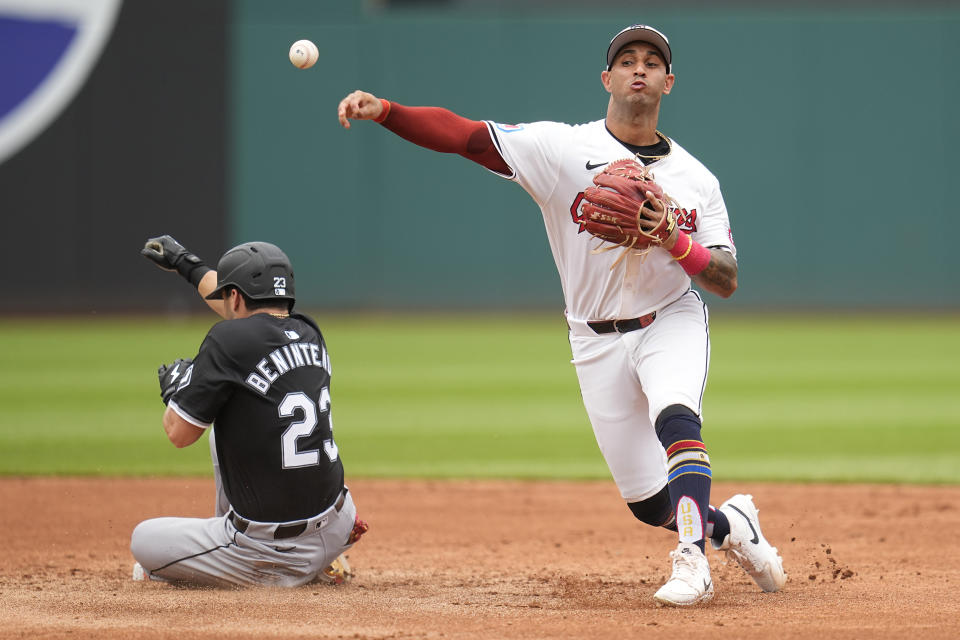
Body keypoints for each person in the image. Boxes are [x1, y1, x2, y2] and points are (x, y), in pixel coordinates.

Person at [336, 24, 784, 605]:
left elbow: (725, 278)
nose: (639, 68)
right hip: (594, 338)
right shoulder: (563, 149)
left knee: (678, 421)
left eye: (652, 61)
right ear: (607, 78)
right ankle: (733, 529)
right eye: (627, 60)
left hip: (670, 317)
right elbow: (466, 137)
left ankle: (693, 561)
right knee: (650, 502)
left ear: (669, 83)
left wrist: (676, 240)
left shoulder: (697, 181)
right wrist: (388, 111)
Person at [130, 235, 367, 587]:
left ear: (236, 297)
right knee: (237, 412)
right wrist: (187, 264)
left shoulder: (226, 340)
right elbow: (245, 317)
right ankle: (323, 558)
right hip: (337, 524)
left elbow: (179, 433)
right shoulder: (310, 332)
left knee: (144, 543)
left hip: (272, 548)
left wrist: (177, 391)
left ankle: (256, 563)